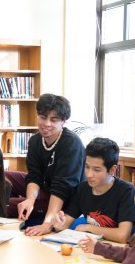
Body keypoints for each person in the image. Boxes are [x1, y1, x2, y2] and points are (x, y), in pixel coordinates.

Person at [17, 94, 85, 236]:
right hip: (46, 189)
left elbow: (62, 187)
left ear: (63, 121)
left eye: (53, 120)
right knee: (7, 176)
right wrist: (30, 199)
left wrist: (47, 223)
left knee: (9, 205)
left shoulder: (71, 143)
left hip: (68, 199)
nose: (46, 124)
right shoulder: (35, 141)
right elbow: (34, 175)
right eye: (43, 117)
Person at [54, 137, 135, 243]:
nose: (89, 174)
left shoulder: (126, 191)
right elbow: (64, 225)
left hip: (119, 252)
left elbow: (123, 236)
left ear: (112, 170)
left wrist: (89, 227)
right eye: (87, 167)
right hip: (92, 248)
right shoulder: (82, 189)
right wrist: (59, 225)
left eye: (97, 170)